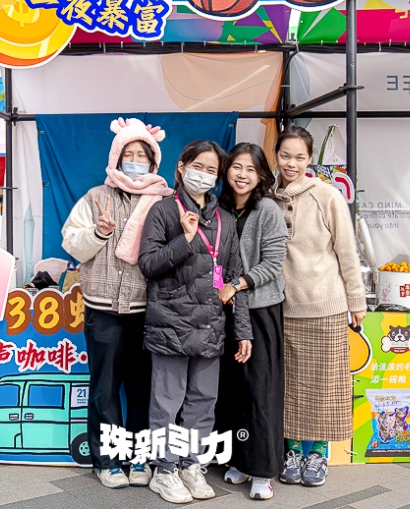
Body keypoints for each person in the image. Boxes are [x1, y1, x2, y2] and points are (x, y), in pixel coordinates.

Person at [61, 118, 172, 490]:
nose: (136, 161)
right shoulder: (96, 197)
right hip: (103, 308)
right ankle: (107, 461)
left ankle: (139, 457)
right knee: (105, 390)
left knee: (143, 390)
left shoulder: (164, 201)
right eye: (129, 154)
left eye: (143, 155)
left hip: (149, 311)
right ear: (116, 157)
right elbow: (71, 242)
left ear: (154, 162)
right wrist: (99, 232)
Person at [139, 140, 252, 504]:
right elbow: (148, 265)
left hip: (210, 325)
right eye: (198, 166)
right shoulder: (163, 211)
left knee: (203, 401)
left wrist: (243, 331)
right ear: (182, 166)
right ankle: (164, 471)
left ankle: (191, 465)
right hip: (170, 324)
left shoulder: (224, 219)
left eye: (211, 170)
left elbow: (233, 276)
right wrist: (185, 239)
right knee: (166, 402)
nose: (204, 175)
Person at [271, 126, 365, 488]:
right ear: (276, 156)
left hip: (325, 306)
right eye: (285, 155)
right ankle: (294, 451)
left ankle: (319, 454)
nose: (291, 163)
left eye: (299, 157)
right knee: (291, 387)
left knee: (325, 387)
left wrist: (356, 300)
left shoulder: (327, 196)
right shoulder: (268, 197)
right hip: (284, 309)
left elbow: (347, 251)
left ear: (310, 159)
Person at [215, 143, 288, 501]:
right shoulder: (221, 207)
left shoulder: (268, 209)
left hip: (260, 309)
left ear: (261, 175)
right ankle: (240, 461)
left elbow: (274, 262)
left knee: (260, 390)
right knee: (233, 390)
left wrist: (237, 284)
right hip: (227, 311)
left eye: (250, 169)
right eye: (236, 167)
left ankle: (262, 470)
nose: (242, 175)